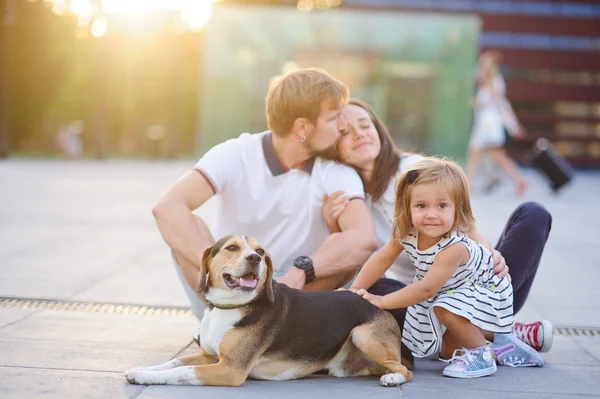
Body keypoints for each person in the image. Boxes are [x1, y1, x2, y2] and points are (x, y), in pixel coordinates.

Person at [324, 99, 553, 363]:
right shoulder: (345, 194)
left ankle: (491, 325)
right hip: (420, 298)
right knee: (371, 287)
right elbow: (370, 259)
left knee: (534, 214)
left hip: (475, 286)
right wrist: (334, 228)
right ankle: (500, 334)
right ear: (333, 146)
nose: (359, 134)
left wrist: (490, 253)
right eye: (345, 132)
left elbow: (465, 224)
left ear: (378, 129)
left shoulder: (416, 169)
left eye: (365, 125)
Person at [152, 68, 378, 322]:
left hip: (293, 290)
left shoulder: (335, 171)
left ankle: (264, 326)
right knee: (186, 226)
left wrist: (302, 269)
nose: (343, 126)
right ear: (302, 127)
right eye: (334, 118)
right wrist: (218, 267)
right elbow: (168, 207)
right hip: (231, 283)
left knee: (348, 255)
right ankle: (228, 321)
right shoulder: (237, 153)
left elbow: (363, 238)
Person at [352, 157, 513, 378]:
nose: (431, 214)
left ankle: (482, 354)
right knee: (447, 352)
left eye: (442, 206)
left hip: (485, 288)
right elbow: (382, 259)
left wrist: (382, 301)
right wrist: (355, 290)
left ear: (458, 209)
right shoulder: (406, 232)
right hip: (452, 290)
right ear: (407, 207)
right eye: (421, 206)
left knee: (444, 309)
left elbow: (426, 289)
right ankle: (503, 346)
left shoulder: (454, 247)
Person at [465, 50, 528, 196]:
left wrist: (514, 125)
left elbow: (499, 101)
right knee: (496, 156)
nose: (481, 63)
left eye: (485, 61)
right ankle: (520, 180)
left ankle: (468, 187)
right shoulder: (485, 80)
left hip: (489, 124)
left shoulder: (495, 80)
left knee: (476, 154)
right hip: (484, 123)